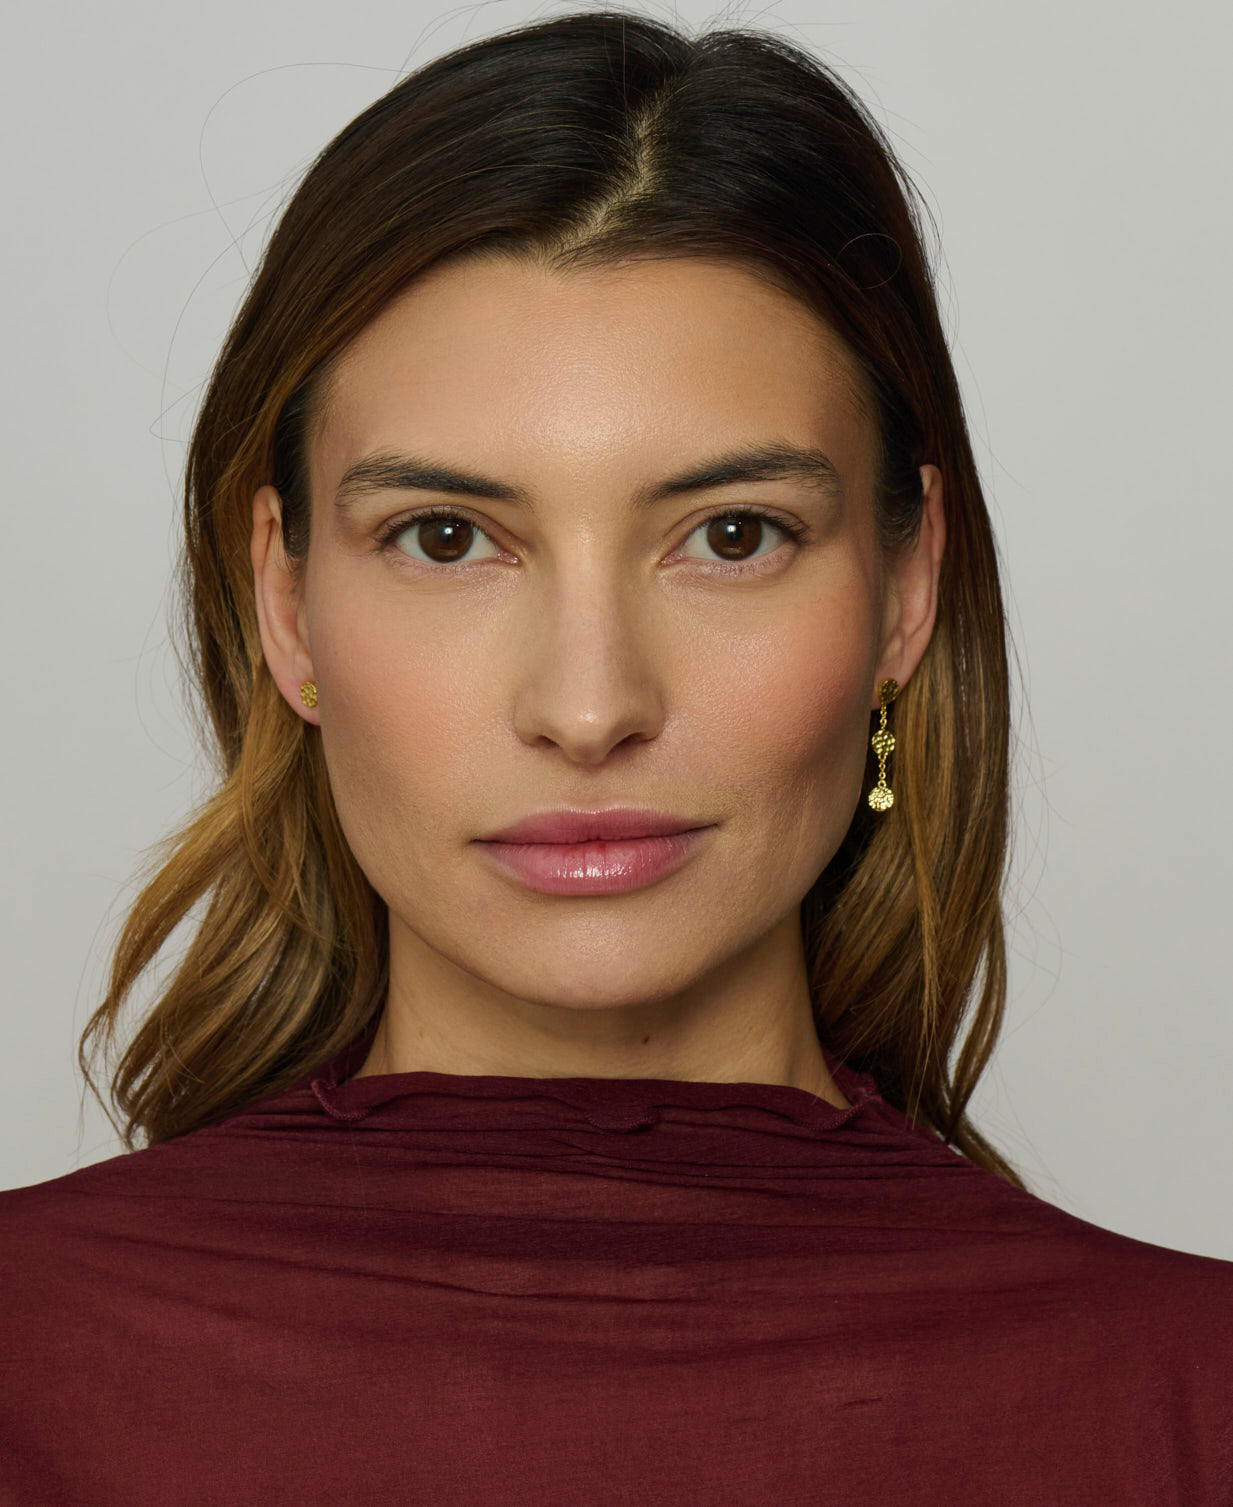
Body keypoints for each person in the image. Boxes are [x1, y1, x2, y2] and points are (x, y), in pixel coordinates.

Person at [2, 9, 1229, 1503]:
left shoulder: (1188, 1396)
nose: (588, 710)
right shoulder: (31, 1367)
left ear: (904, 593)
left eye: (730, 536)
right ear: (284, 598)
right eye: (446, 539)